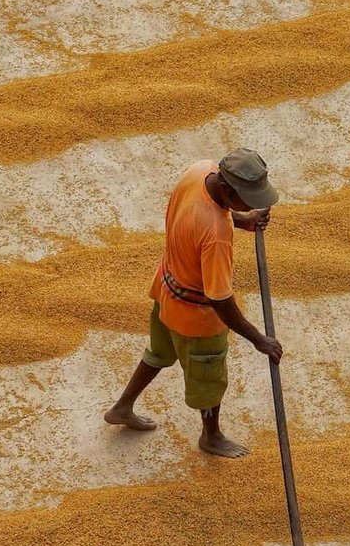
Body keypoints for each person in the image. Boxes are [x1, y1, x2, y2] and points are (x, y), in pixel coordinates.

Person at [106, 148, 284, 458]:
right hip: (196, 317)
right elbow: (220, 299)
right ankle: (211, 436)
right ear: (227, 190)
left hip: (167, 289)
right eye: (246, 200)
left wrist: (243, 219)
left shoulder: (199, 171)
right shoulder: (216, 235)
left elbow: (198, 219)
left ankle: (122, 407)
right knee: (209, 379)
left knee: (159, 352)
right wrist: (260, 339)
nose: (250, 205)